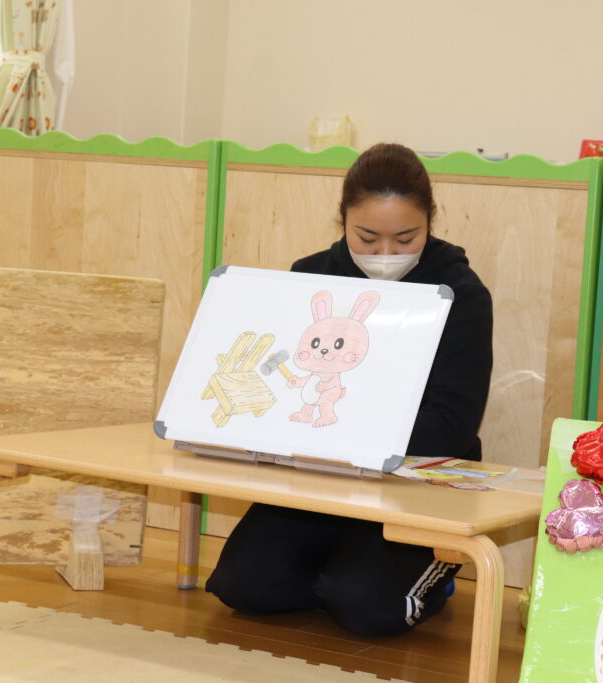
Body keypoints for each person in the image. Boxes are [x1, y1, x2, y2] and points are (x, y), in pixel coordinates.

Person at [205, 142, 494, 637]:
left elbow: (452, 426)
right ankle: (337, 578)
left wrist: (349, 431)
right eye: (367, 237)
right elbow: (286, 389)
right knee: (242, 587)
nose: (386, 255)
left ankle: (408, 578)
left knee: (370, 609)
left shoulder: (462, 293)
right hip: (323, 476)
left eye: (406, 238)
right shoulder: (309, 277)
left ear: (430, 221)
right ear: (343, 220)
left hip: (415, 479)